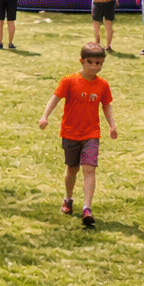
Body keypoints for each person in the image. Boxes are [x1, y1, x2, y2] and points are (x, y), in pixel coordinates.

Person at [38, 42, 118, 227]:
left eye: (99, 63)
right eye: (91, 62)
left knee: (89, 169)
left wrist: (112, 125)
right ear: (81, 61)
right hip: (70, 132)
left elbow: (106, 105)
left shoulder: (103, 85)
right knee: (72, 169)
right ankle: (68, 198)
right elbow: (55, 98)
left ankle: (87, 208)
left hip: (91, 134)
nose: (95, 67)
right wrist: (45, 116)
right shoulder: (69, 81)